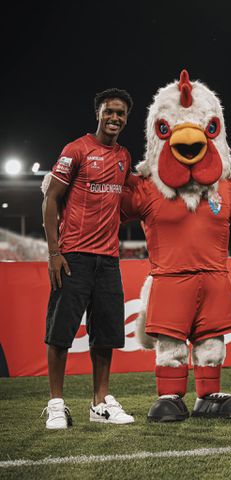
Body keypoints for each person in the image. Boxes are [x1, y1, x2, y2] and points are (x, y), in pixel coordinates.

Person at [42, 88, 135, 429]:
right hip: (73, 258)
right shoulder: (76, 149)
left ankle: (100, 403)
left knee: (105, 335)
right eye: (109, 112)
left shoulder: (124, 156)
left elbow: (123, 203)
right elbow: (50, 199)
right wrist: (54, 252)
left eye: (121, 114)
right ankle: (55, 404)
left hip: (109, 260)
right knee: (60, 333)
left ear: (126, 119)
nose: (114, 118)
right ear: (98, 114)